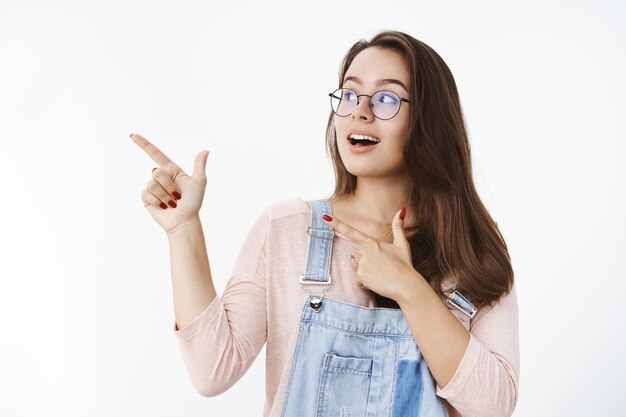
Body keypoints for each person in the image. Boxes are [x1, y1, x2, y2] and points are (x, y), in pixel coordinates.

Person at [131, 30, 519, 417]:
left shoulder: (470, 249)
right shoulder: (286, 229)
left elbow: (494, 406)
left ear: (429, 120)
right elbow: (212, 370)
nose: (359, 112)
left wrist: (409, 288)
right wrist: (183, 230)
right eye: (349, 95)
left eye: (385, 98)